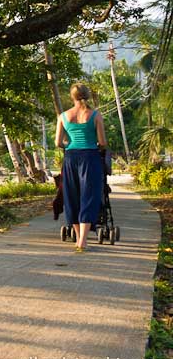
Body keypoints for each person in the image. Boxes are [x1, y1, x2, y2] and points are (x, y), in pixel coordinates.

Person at [54, 83, 108, 252]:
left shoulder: (63, 116)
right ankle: (83, 241)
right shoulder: (95, 115)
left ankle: (78, 239)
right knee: (89, 196)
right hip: (90, 158)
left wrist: (70, 144)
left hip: (71, 158)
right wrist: (93, 144)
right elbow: (103, 142)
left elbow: (57, 143)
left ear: (72, 97)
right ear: (88, 96)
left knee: (72, 197)